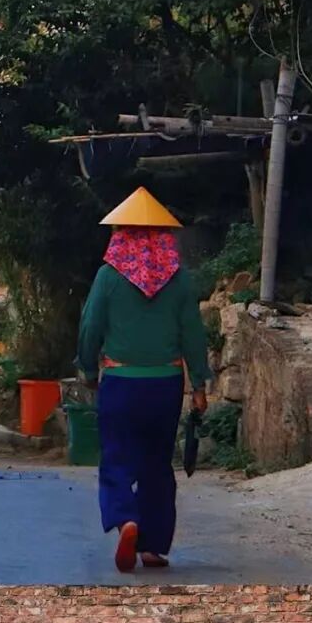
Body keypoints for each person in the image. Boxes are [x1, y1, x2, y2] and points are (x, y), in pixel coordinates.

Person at [77, 187, 211, 573]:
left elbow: (90, 327)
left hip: (120, 382)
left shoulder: (107, 276)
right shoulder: (181, 280)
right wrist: (199, 385)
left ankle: (126, 519)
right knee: (156, 463)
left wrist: (87, 369)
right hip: (166, 383)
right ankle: (152, 547)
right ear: (164, 235)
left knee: (117, 458)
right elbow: (193, 334)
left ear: (121, 233)